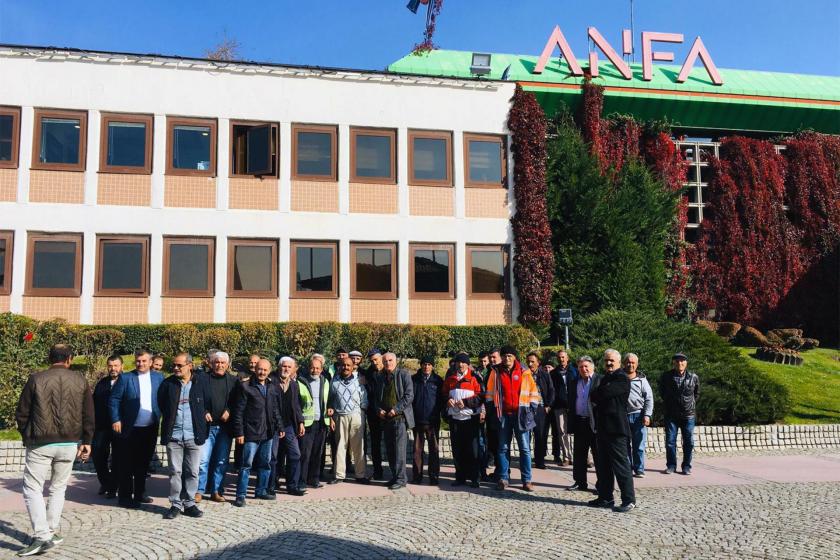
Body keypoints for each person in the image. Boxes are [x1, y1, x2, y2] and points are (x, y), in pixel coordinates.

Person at [15, 344, 94, 557]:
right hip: (69, 443)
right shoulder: (80, 380)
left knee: (33, 488)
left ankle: (42, 536)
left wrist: (27, 436)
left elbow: (22, 413)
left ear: (50, 358)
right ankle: (50, 531)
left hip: (40, 443)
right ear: (69, 359)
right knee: (58, 488)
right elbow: (88, 413)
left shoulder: (36, 379)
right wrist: (87, 440)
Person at [158, 353, 211, 519]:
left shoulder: (200, 382)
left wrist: (205, 414)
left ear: (190, 365)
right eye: (174, 365)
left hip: (194, 435)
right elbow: (161, 404)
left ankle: (189, 504)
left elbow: (207, 402)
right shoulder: (167, 384)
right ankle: (175, 504)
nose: (175, 368)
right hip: (174, 436)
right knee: (175, 471)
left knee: (193, 472)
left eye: (179, 365)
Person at [109, 348, 164, 509]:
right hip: (130, 428)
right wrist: (116, 419)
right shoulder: (126, 378)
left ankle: (140, 493)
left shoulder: (158, 377)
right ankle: (125, 497)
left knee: (143, 463)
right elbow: (114, 399)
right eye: (138, 361)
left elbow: (162, 398)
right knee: (127, 464)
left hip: (150, 427)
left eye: (144, 361)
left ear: (151, 362)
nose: (140, 364)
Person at [485, 346, 540, 492]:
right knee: (503, 448)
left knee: (525, 449)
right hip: (503, 415)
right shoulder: (495, 372)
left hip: (522, 415)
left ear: (515, 357)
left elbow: (534, 393)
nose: (506, 358)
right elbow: (489, 394)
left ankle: (527, 480)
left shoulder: (524, 372)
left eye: (509, 355)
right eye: (504, 356)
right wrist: (492, 412)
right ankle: (503, 479)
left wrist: (531, 411)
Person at [232, 359, 284, 507]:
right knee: (246, 465)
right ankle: (240, 495)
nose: (262, 372)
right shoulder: (245, 386)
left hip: (268, 432)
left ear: (269, 371)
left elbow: (275, 409)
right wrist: (239, 433)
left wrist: (280, 427)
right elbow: (238, 412)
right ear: (255, 369)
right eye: (260, 369)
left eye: (265, 370)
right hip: (251, 432)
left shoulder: (272, 386)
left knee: (265, 464)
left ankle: (261, 490)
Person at [589, 349, 635, 512]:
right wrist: (600, 392)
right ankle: (606, 497)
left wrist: (601, 391)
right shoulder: (605, 378)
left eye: (612, 361)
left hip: (616, 429)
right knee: (603, 466)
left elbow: (603, 393)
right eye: (606, 360)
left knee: (621, 466)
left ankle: (629, 500)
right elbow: (594, 395)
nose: (608, 363)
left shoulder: (622, 377)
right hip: (603, 428)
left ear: (619, 363)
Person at [197, 351, 238, 503]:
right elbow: (197, 398)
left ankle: (216, 490)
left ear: (227, 365)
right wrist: (204, 411)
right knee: (203, 461)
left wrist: (229, 410)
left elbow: (238, 401)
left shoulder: (233, 381)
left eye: (222, 363)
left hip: (224, 429)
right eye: (217, 362)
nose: (219, 365)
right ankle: (199, 491)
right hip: (207, 427)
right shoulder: (201, 379)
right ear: (211, 364)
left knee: (221, 461)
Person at [370, 352, 415, 490]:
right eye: (385, 361)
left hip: (399, 418)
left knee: (399, 451)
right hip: (386, 419)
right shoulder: (380, 377)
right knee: (390, 450)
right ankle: (395, 477)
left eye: (390, 360)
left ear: (395, 361)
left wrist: (396, 409)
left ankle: (401, 479)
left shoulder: (404, 374)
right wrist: (378, 410)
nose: (388, 363)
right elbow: (376, 398)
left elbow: (409, 396)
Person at [442, 353, 483, 487]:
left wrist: (465, 402)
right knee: (457, 450)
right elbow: (443, 394)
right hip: (455, 419)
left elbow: (480, 397)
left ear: (468, 364)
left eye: (463, 362)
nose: (460, 365)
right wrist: (448, 400)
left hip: (470, 419)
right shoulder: (450, 379)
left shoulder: (475, 378)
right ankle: (460, 477)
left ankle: (475, 478)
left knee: (473, 450)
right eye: (458, 362)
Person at [327, 356, 369, 484]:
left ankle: (360, 475)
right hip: (340, 416)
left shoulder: (359, 380)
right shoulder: (334, 381)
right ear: (340, 366)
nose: (345, 367)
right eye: (343, 365)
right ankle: (339, 475)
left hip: (356, 416)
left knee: (358, 447)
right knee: (340, 446)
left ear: (352, 367)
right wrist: (331, 415)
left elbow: (364, 397)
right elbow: (331, 399)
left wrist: (362, 412)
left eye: (348, 365)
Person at [660, 352, 700, 475]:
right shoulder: (666, 376)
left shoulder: (693, 377)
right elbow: (662, 392)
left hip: (688, 415)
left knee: (689, 442)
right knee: (670, 442)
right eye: (677, 361)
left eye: (682, 361)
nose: (680, 363)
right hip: (671, 414)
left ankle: (686, 466)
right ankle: (671, 465)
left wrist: (689, 404)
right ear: (673, 363)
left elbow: (696, 394)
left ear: (686, 363)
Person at [566, 356, 601, 492]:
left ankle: (601, 484)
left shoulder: (599, 380)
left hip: (595, 423)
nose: (583, 369)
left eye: (586, 366)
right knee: (579, 455)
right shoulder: (574, 382)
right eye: (581, 367)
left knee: (598, 455)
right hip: (579, 421)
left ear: (592, 367)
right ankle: (580, 482)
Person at [297, 354, 330, 490]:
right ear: (308, 368)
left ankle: (314, 479)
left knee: (317, 453)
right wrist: (300, 421)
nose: (315, 370)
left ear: (321, 369)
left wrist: (331, 415)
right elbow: (297, 404)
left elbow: (329, 400)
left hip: (322, 422)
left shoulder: (325, 381)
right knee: (305, 454)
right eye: (312, 368)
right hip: (307, 424)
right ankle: (302, 480)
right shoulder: (301, 381)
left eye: (317, 368)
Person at [92, 354, 122, 499]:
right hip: (102, 426)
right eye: (110, 366)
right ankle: (106, 482)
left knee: (118, 458)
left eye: (116, 365)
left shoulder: (127, 381)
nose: (113, 368)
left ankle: (113, 486)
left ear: (121, 366)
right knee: (97, 454)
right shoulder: (102, 383)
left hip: (120, 426)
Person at [275, 356, 306, 496]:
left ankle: (292, 485)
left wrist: (300, 421)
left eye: (289, 367)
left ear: (293, 369)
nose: (286, 369)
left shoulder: (294, 384)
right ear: (279, 367)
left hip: (289, 426)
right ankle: (271, 484)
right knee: (273, 457)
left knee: (295, 454)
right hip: (273, 426)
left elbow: (296, 405)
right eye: (284, 366)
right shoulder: (271, 382)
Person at [411, 356, 443, 485]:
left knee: (434, 450)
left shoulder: (438, 381)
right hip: (417, 420)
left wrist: (439, 413)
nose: (426, 367)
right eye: (424, 364)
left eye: (429, 364)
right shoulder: (414, 379)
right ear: (421, 365)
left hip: (432, 421)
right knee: (417, 450)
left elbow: (441, 400)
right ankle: (417, 476)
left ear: (432, 366)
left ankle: (434, 476)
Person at [624, 353, 653, 478]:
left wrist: (647, 415)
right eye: (628, 362)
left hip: (638, 416)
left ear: (637, 364)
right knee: (624, 445)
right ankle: (627, 469)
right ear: (624, 363)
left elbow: (649, 398)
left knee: (639, 445)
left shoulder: (642, 380)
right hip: (623, 416)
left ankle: (639, 469)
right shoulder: (620, 378)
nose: (630, 364)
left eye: (633, 362)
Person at [526, 352, 555, 469]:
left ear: (538, 363)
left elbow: (551, 390)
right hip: (526, 409)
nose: (530, 364)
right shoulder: (524, 375)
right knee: (526, 436)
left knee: (540, 435)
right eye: (528, 361)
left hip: (540, 408)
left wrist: (548, 405)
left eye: (532, 361)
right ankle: (526, 461)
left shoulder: (545, 375)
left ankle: (540, 460)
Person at [550, 350, 577, 466]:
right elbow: (551, 390)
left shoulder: (575, 371)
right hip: (559, 406)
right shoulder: (553, 373)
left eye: (563, 357)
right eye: (559, 357)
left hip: (574, 405)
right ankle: (567, 457)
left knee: (578, 432)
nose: (561, 359)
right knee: (562, 431)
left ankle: (584, 457)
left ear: (567, 358)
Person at [364, 348, 386, 480]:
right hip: (374, 413)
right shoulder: (368, 373)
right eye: (371, 361)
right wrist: (376, 409)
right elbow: (369, 394)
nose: (374, 363)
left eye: (376, 360)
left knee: (391, 443)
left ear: (381, 358)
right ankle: (378, 471)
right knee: (375, 444)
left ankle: (396, 472)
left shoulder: (389, 370)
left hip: (389, 413)